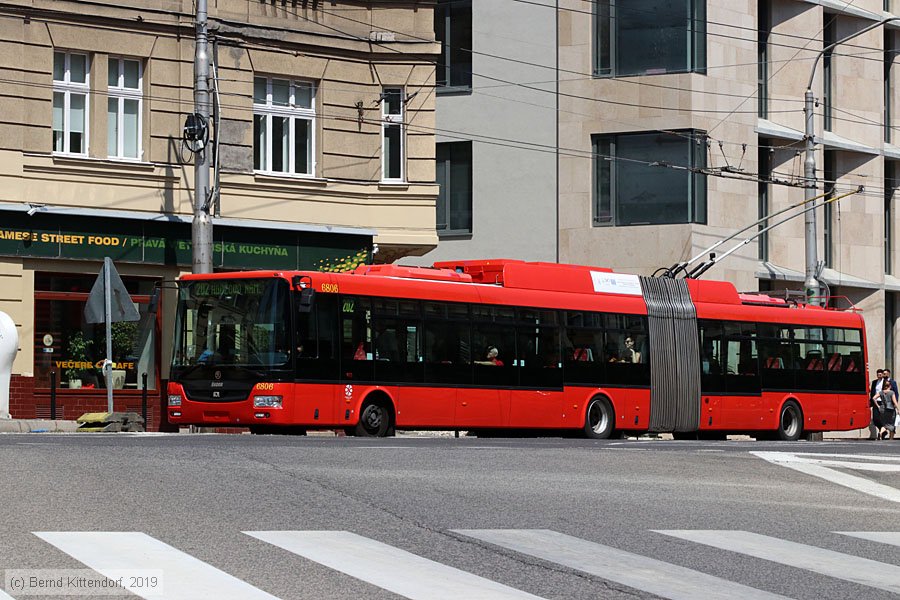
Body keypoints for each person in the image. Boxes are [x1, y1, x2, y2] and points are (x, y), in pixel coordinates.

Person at [870, 368, 884, 440]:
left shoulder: (885, 382)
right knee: (875, 419)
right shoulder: (874, 382)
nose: (879, 376)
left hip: (883, 402)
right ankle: (882, 430)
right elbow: (872, 392)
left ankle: (881, 432)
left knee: (882, 418)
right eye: (878, 375)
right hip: (875, 401)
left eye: (880, 374)